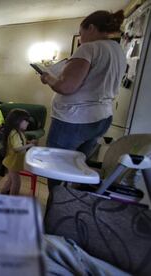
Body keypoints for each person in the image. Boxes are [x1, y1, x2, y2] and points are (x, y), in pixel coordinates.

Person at [39, 10, 126, 190]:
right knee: (77, 166)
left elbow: (66, 87)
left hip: (73, 120)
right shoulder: (118, 50)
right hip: (102, 117)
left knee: (56, 169)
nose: (80, 38)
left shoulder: (89, 48)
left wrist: (48, 77)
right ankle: (70, 203)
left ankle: (56, 207)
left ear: (91, 28)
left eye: (81, 32)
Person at [1, 109, 37, 195]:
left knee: (10, 180)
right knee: (16, 182)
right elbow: (16, 148)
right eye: (26, 121)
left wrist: (28, 142)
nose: (28, 123)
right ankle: (12, 201)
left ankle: (2, 194)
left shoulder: (18, 132)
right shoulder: (15, 133)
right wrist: (30, 145)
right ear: (18, 121)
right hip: (13, 162)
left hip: (14, 162)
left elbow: (20, 143)